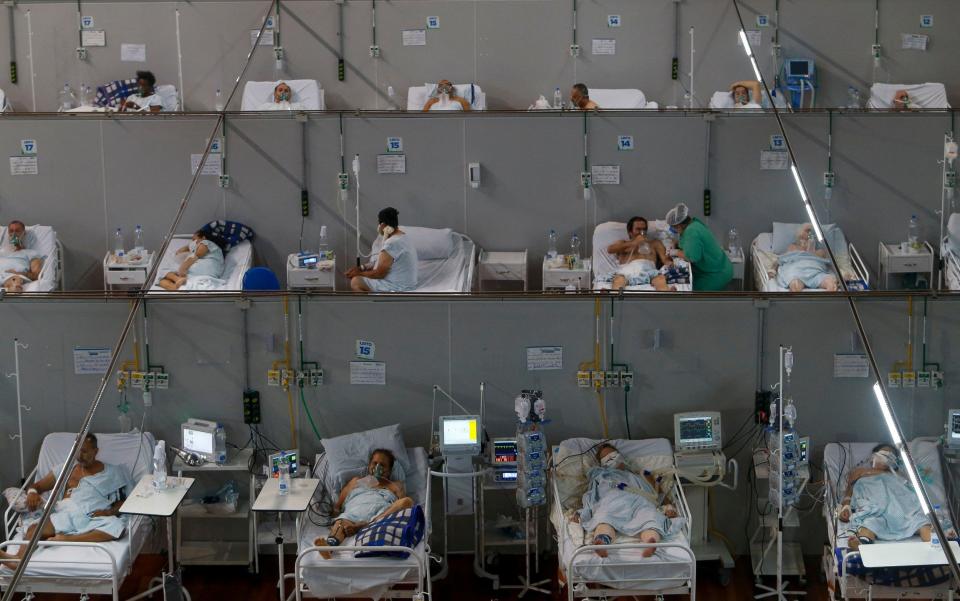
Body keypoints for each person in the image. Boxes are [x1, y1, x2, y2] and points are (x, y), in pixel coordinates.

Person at [0, 434, 133, 568]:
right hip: (65, 514)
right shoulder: (64, 470)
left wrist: (108, 512)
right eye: (77, 451)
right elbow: (38, 486)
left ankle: (68, 539)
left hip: (92, 517)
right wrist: (32, 493)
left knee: (116, 526)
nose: (80, 456)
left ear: (96, 451)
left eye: (85, 451)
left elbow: (123, 502)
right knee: (35, 528)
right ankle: (17, 560)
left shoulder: (113, 472)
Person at [573, 444, 681, 558]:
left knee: (650, 516)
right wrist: (582, 511)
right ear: (602, 464)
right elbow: (591, 495)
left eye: (613, 455)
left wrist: (669, 507)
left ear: (621, 456)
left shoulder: (639, 475)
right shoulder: (601, 476)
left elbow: (656, 494)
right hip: (611, 501)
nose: (612, 459)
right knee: (603, 517)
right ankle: (602, 542)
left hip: (639, 502)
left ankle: (650, 541)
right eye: (607, 459)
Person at [838, 444, 953, 550]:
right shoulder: (860, 472)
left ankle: (939, 540)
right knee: (870, 523)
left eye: (890, 456)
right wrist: (846, 506)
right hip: (876, 510)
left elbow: (908, 492)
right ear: (873, 457)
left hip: (903, 510)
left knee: (921, 521)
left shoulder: (897, 474)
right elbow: (849, 492)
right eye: (883, 455)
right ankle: (861, 543)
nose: (886, 459)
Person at [314, 449, 414, 559]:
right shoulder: (356, 481)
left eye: (383, 465)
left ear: (389, 471)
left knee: (407, 501)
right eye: (375, 463)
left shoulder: (395, 486)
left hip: (379, 517)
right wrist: (333, 517)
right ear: (369, 465)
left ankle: (365, 525)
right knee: (340, 523)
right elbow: (338, 506)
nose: (378, 467)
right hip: (352, 515)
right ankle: (329, 547)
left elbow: (404, 508)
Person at [346, 207, 418, 293]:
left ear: (383, 225)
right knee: (363, 275)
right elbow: (381, 261)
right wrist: (362, 268)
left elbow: (379, 274)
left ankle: (367, 306)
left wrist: (358, 273)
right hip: (408, 285)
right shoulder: (403, 237)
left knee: (355, 281)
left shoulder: (392, 244)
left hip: (398, 287)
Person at [664, 203, 733, 291]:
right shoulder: (694, 224)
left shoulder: (691, 231)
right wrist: (676, 244)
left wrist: (674, 252)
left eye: (673, 227)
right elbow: (691, 243)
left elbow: (691, 257)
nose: (672, 230)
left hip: (717, 273)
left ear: (678, 225)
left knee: (696, 298)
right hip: (720, 265)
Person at [603, 217, 675, 291]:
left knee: (660, 279)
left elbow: (664, 259)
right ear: (630, 232)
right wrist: (633, 243)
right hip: (627, 272)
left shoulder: (655, 243)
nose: (642, 232)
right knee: (618, 280)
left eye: (644, 229)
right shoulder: (623, 243)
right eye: (638, 229)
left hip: (649, 271)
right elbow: (610, 250)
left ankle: (666, 293)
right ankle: (614, 295)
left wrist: (669, 263)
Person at [776, 223, 838, 291]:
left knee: (830, 282)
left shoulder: (820, 252)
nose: (804, 242)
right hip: (796, 271)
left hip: (815, 272)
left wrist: (841, 273)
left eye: (807, 239)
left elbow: (831, 264)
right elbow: (780, 260)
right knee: (795, 283)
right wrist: (772, 270)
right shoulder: (793, 247)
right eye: (802, 239)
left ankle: (829, 292)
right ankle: (796, 289)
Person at [157, 230, 225, 291]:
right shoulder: (195, 249)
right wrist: (190, 246)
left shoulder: (207, 242)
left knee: (164, 271)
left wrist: (183, 268)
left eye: (194, 239)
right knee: (162, 282)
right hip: (200, 274)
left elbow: (199, 254)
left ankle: (177, 279)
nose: (192, 242)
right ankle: (177, 287)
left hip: (205, 270)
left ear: (203, 238)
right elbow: (178, 253)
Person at [0, 221, 45, 293]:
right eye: (11, 231)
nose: (14, 234)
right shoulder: (1, 252)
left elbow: (36, 275)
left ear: (24, 233)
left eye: (17, 231)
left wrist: (19, 274)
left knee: (14, 280)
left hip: (13, 277)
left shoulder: (31, 253)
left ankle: (13, 290)